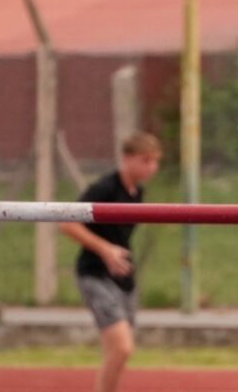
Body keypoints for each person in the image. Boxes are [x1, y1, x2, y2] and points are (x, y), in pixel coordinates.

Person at [59, 132, 162, 392]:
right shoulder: (105, 188)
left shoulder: (137, 191)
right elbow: (68, 223)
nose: (152, 167)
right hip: (95, 274)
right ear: (127, 159)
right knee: (122, 347)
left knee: (118, 352)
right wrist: (106, 250)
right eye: (146, 160)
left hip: (123, 277)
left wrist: (119, 256)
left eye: (155, 161)